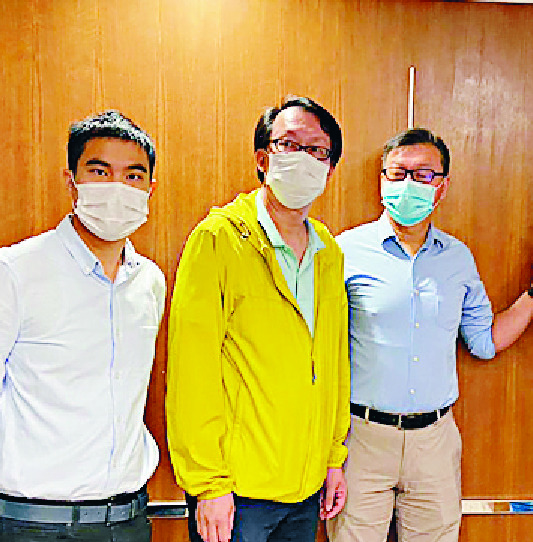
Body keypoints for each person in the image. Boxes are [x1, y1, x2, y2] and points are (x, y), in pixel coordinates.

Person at [327, 127, 533, 542]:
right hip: (360, 439)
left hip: (434, 440)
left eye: (424, 174)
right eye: (398, 173)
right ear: (382, 181)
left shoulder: (458, 258)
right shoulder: (344, 251)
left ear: (442, 187)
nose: (409, 184)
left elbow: (484, 341)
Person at [166, 95, 350, 542]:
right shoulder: (219, 239)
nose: (303, 159)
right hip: (237, 492)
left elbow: (332, 363)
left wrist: (332, 458)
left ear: (329, 170)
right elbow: (192, 370)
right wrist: (209, 484)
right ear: (263, 158)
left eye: (317, 150)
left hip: (306, 486)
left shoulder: (328, 252)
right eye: (289, 144)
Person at [0, 111, 164, 541]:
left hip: (128, 519)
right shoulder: (15, 272)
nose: (117, 187)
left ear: (150, 189)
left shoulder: (149, 281)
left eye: (133, 175)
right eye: (99, 171)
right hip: (34, 524)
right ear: (71, 181)